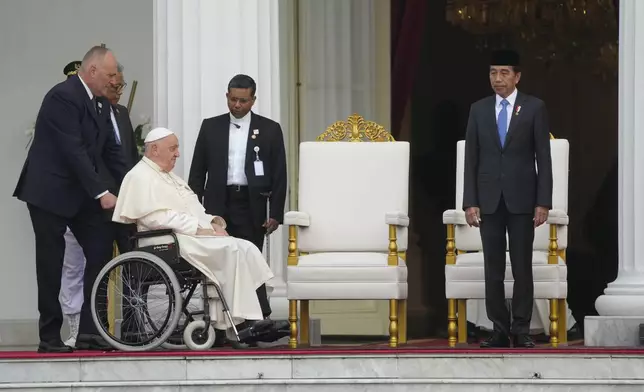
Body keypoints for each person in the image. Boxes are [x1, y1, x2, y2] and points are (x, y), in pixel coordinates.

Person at [13, 46, 126, 353]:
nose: (115, 81)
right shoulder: (62, 97)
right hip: (49, 193)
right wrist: (102, 192)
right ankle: (49, 337)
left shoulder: (101, 104)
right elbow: (73, 151)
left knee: (101, 246)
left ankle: (91, 330)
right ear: (92, 72)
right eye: (110, 74)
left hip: (80, 194)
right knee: (51, 262)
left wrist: (132, 189)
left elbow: (106, 154)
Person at [112, 127, 275, 333]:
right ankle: (242, 323)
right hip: (164, 241)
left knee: (246, 247)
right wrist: (198, 229)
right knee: (231, 250)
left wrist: (213, 223)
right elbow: (155, 218)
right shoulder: (139, 176)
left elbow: (193, 211)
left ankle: (259, 313)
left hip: (186, 236)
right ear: (154, 149)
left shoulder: (171, 177)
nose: (177, 154)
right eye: (173, 148)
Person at [462, 49, 553, 349]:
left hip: (522, 199)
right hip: (488, 200)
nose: (497, 79)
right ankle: (499, 328)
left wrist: (543, 201)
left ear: (517, 76)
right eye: (492, 72)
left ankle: (522, 329)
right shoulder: (478, 109)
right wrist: (469, 201)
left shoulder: (534, 108)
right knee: (493, 268)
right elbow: (471, 159)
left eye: (503, 73)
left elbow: (544, 157)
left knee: (522, 266)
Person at [188, 74, 287, 321]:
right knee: (219, 263)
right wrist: (193, 208)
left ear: (253, 100)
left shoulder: (269, 129)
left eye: (243, 100)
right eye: (233, 99)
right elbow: (197, 172)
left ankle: (256, 318)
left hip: (251, 204)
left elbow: (279, 174)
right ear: (227, 97)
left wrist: (275, 213)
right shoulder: (210, 126)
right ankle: (219, 320)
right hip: (217, 204)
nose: (237, 105)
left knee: (249, 260)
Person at [59, 62, 140, 347]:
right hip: (100, 203)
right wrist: (102, 193)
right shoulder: (89, 113)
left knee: (135, 262)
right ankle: (96, 329)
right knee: (100, 264)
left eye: (121, 86)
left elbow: (126, 158)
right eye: (113, 85)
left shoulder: (121, 113)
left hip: (126, 203)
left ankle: (134, 326)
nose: (117, 91)